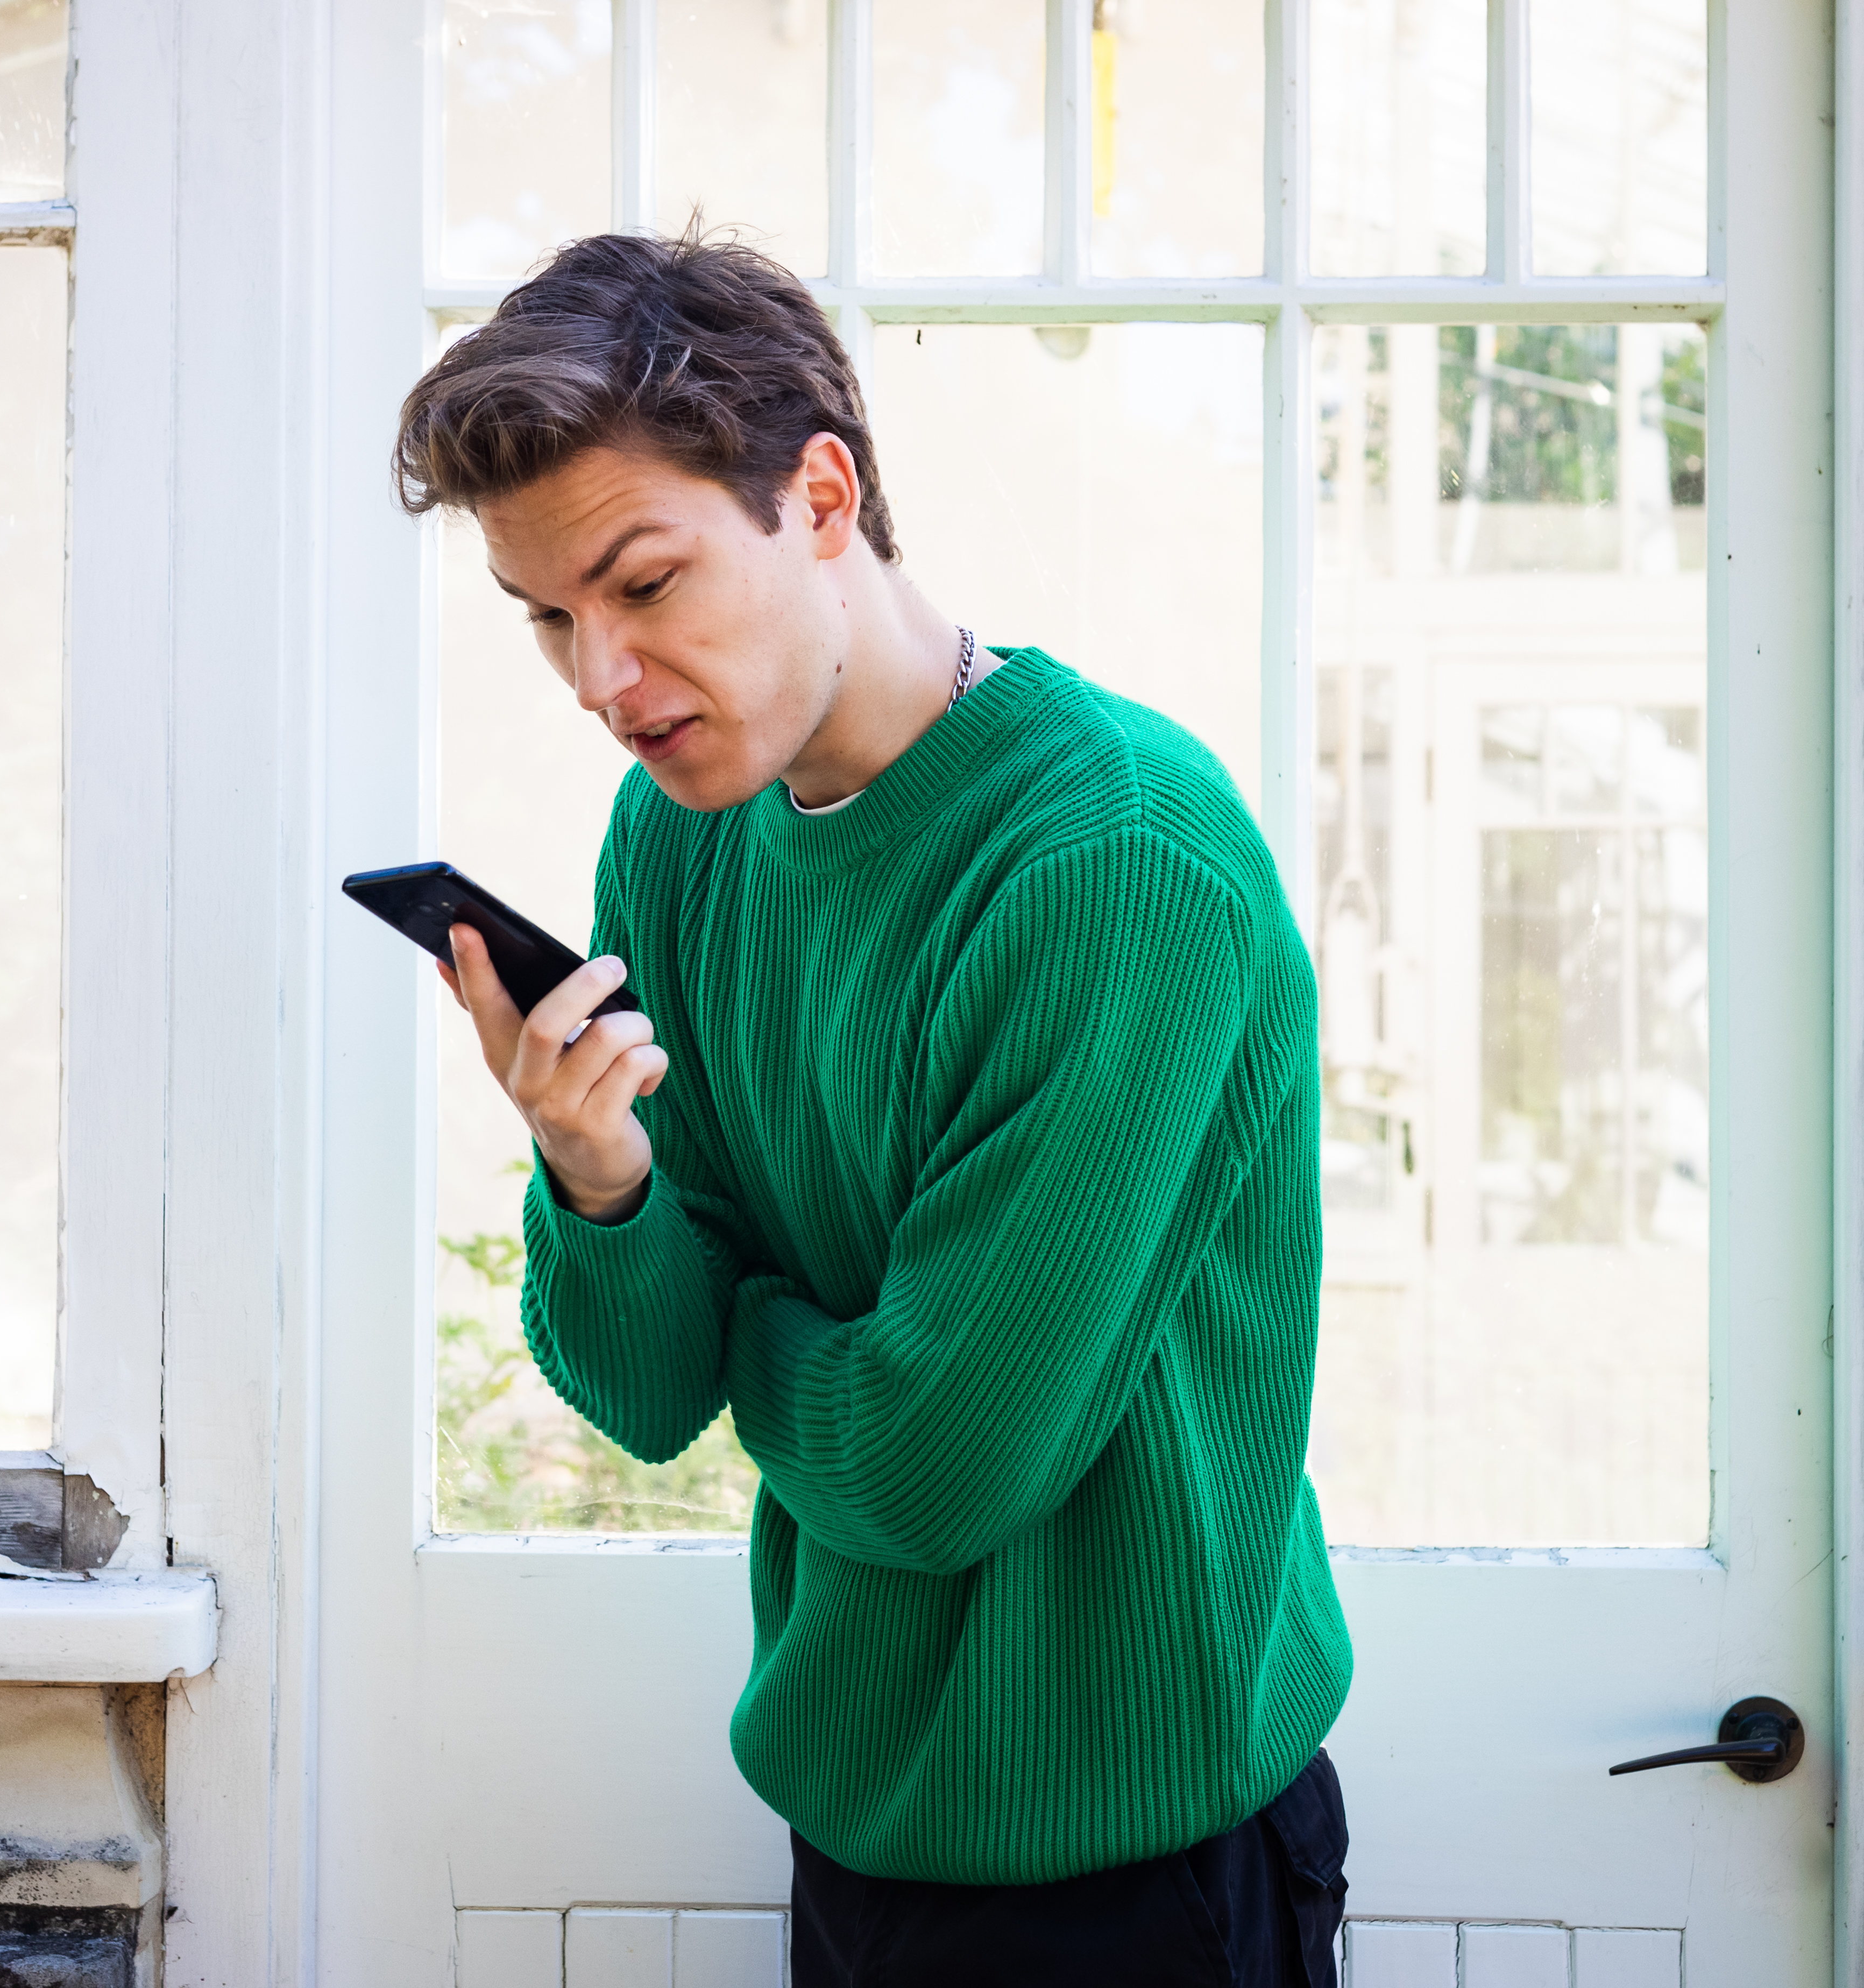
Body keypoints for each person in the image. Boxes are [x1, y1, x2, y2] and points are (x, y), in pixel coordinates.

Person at [392, 228, 1354, 1987]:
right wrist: (600, 1173)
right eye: (548, 617)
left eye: (643, 582)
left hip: (1140, 1859)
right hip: (854, 1817)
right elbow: (645, 1391)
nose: (600, 679)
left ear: (820, 497)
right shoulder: (680, 832)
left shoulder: (1117, 864)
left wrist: (744, 1297)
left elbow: (932, 1469)